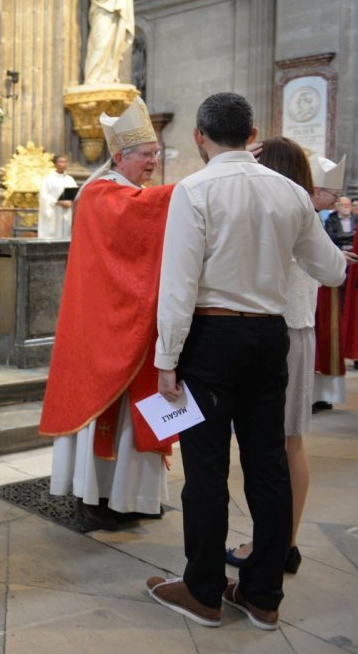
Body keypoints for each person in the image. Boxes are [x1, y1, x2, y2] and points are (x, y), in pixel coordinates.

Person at [146, 92, 346, 631]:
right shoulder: (290, 193)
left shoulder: (194, 189)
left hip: (210, 338)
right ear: (252, 131)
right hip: (269, 337)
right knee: (268, 466)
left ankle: (204, 591)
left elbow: (179, 284)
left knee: (206, 471)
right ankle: (262, 596)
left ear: (199, 137)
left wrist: (167, 359)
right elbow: (332, 271)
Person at [40, 97, 176, 530]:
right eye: (145, 154)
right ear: (120, 156)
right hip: (106, 325)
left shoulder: (131, 192)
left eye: (156, 154)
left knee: (144, 409)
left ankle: (135, 495)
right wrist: (208, 182)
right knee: (110, 414)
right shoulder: (101, 193)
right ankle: (99, 494)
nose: (153, 161)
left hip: (138, 322)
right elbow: (141, 217)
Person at [225, 137, 334, 577]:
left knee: (270, 450)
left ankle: (273, 545)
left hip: (278, 333)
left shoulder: (277, 210)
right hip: (299, 331)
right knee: (290, 444)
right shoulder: (305, 210)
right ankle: (284, 543)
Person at [309, 157, 349, 412]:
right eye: (335, 194)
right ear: (317, 190)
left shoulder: (312, 214)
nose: (337, 200)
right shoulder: (304, 213)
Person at [83, 0, 134, 85]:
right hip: (102, 14)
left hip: (116, 14)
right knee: (100, 43)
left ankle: (108, 75)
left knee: (114, 46)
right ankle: (92, 77)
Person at [37, 154, 77, 239]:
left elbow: (74, 194)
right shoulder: (49, 179)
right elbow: (43, 195)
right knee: (52, 235)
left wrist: (70, 201)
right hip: (54, 211)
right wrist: (57, 201)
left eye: (65, 162)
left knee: (66, 235)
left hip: (66, 213)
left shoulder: (70, 179)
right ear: (55, 164)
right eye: (61, 162)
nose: (64, 164)